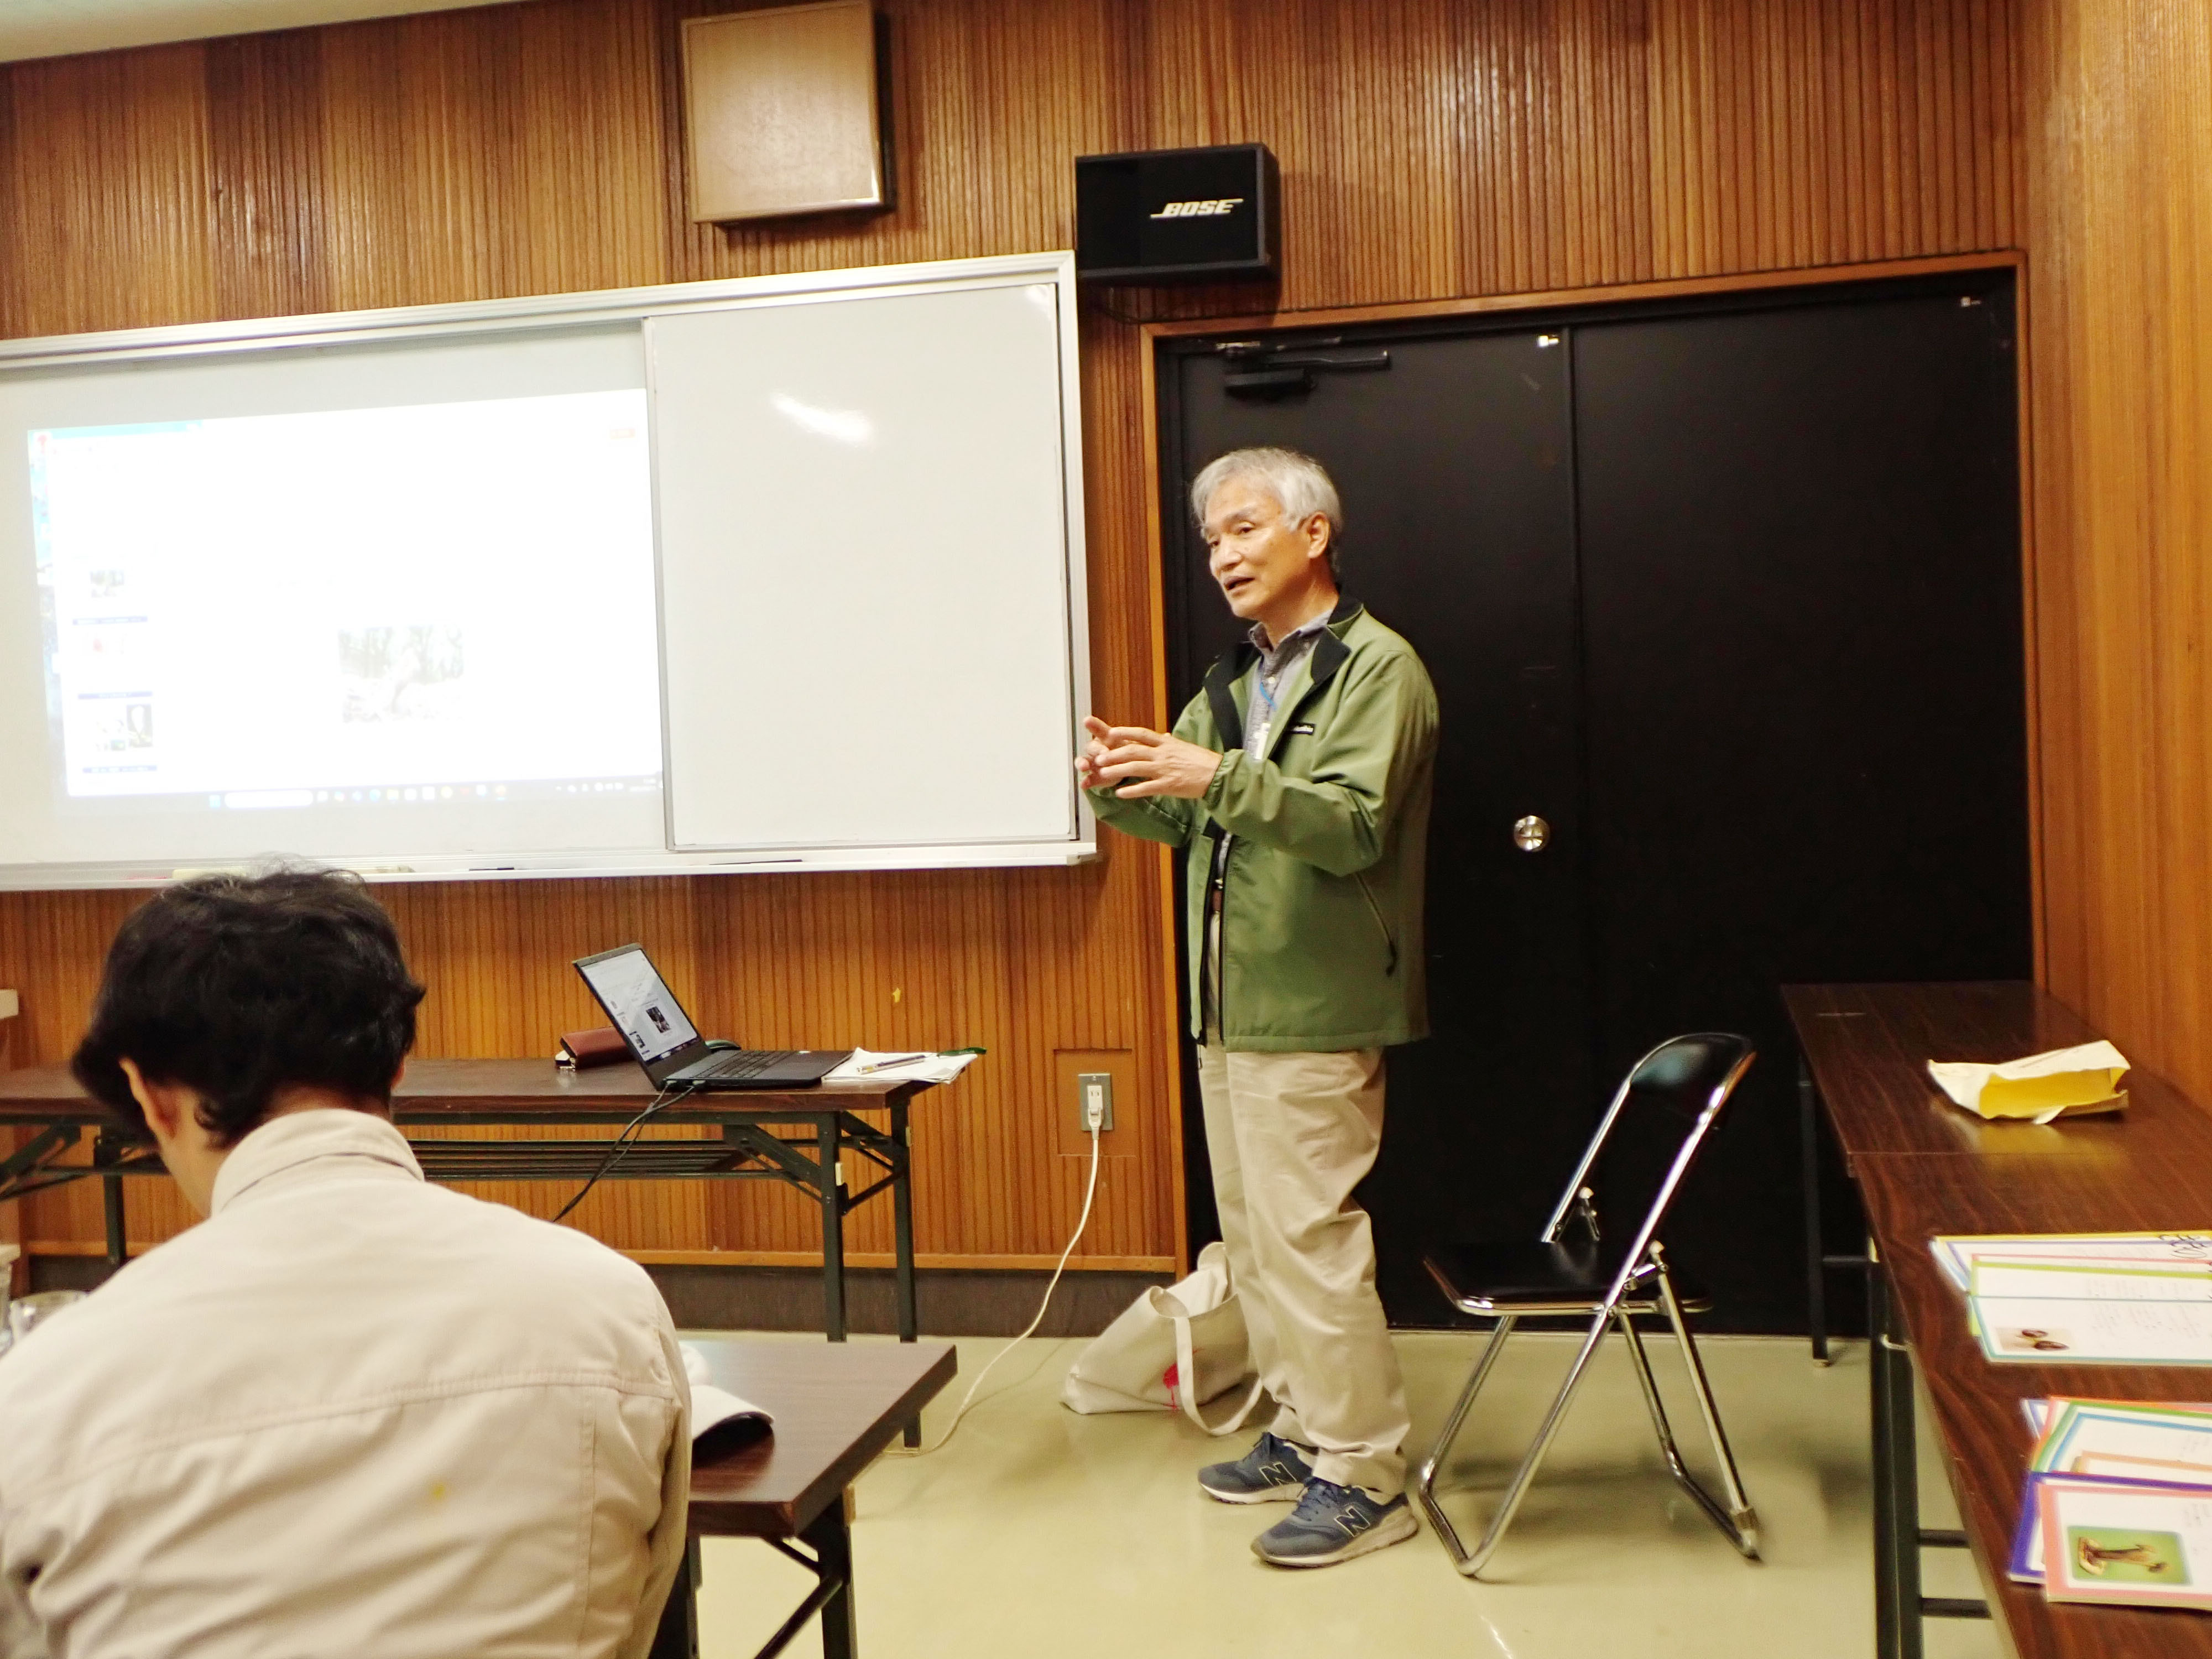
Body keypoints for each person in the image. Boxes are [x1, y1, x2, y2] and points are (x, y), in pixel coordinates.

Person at [0, 869, 690, 1658]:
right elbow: (638, 1619)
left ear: (148, 1096)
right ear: (395, 1063)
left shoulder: (43, 1393)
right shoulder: (612, 1308)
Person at [1079, 447, 1437, 1568]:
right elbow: (1195, 819)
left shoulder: (1378, 669)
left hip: (1315, 1004)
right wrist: (1123, 788)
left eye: (1242, 530)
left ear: (1312, 533)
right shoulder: (1235, 680)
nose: (1222, 557)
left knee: (1311, 1243)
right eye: (1210, 541)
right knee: (1256, 1242)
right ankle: (1303, 1426)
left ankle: (1365, 1472)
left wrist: (1213, 776)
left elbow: (1351, 827)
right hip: (1228, 1008)